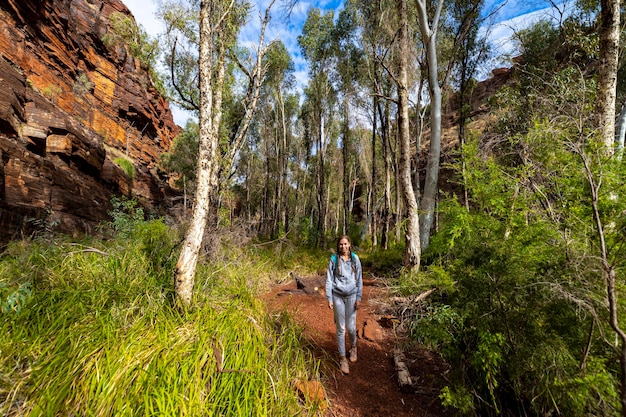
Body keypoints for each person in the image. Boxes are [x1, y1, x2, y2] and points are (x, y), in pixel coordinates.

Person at [325, 235, 363, 375]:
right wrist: (329, 298)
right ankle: (342, 358)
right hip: (337, 296)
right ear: (338, 246)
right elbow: (329, 279)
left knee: (351, 327)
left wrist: (358, 297)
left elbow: (359, 279)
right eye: (341, 244)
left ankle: (353, 347)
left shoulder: (355, 259)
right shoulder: (334, 260)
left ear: (349, 244)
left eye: (345, 244)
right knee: (340, 328)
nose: (343, 246)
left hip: (352, 295)